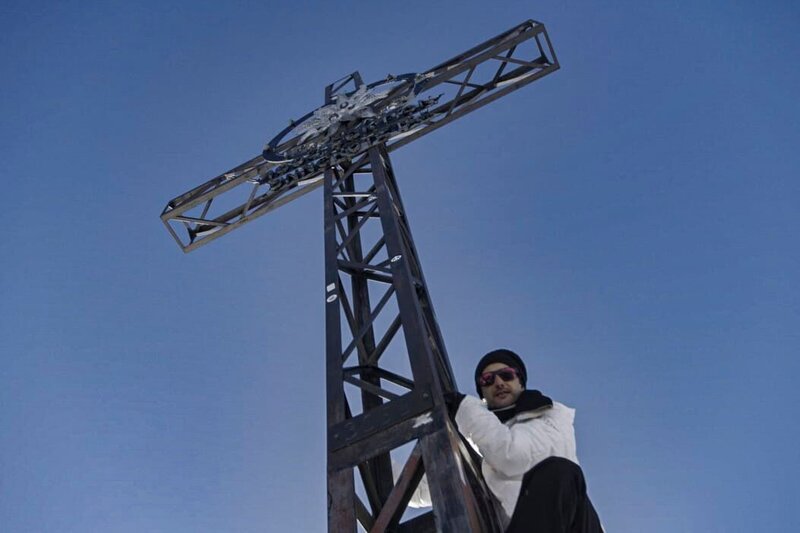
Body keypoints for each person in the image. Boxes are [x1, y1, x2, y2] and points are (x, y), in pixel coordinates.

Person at [448, 348, 603, 532]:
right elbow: (440, 482)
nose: (498, 383)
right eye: (488, 379)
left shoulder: (549, 415)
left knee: (559, 470)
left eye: (506, 375)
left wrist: (466, 408)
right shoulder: (484, 439)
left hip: (572, 525)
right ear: (483, 394)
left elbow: (514, 456)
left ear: (520, 382)